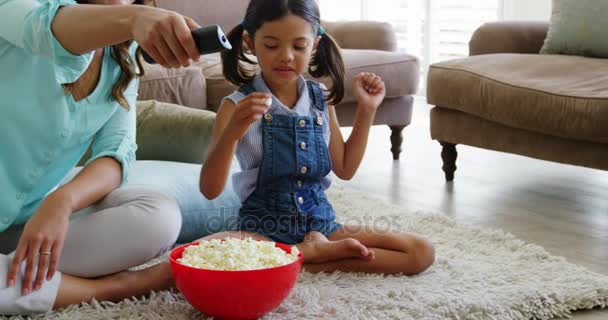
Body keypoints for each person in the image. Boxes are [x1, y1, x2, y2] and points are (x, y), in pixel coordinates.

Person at [200, 0, 435, 275]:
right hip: (264, 232)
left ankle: (305, 258)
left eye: (298, 46)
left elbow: (345, 168)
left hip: (322, 226)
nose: (286, 56)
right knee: (205, 258)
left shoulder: (320, 99)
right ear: (250, 43)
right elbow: (210, 189)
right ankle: (305, 255)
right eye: (272, 45)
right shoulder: (235, 106)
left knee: (420, 252)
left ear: (314, 44)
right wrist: (232, 133)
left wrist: (367, 110)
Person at [0, 0, 203, 315]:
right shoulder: (16, 7)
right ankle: (111, 287)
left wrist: (62, 201)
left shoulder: (123, 56)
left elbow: (117, 150)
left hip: (27, 222)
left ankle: (14, 276)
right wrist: (134, 18)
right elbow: (42, 29)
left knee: (158, 216)